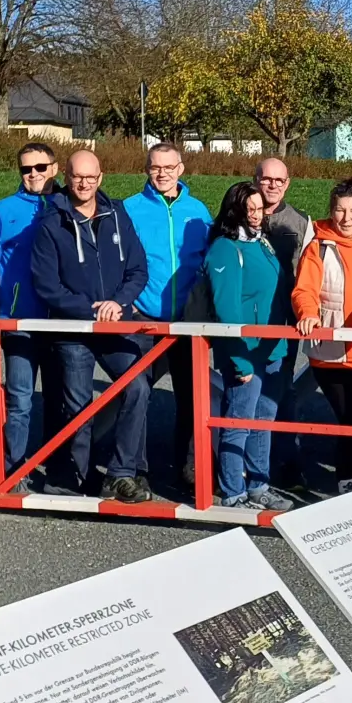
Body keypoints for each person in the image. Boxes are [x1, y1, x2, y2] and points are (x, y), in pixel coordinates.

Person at [30, 150, 153, 504]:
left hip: (115, 324)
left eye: (91, 176)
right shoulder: (51, 224)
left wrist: (119, 303)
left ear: (100, 178)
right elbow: (47, 286)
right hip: (73, 331)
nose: (84, 183)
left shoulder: (118, 215)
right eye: (77, 176)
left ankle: (121, 473)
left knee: (138, 388)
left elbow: (138, 270)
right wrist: (89, 309)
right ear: (66, 178)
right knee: (79, 406)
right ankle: (80, 478)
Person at [122, 143, 213, 483]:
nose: (162, 174)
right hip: (146, 319)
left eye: (168, 167)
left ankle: (191, 467)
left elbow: (209, 263)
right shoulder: (130, 209)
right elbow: (121, 261)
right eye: (155, 167)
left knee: (192, 398)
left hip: (188, 322)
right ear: (146, 169)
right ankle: (136, 468)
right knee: (137, 395)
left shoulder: (198, 211)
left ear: (181, 169)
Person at [292, 179, 352, 494]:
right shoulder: (319, 246)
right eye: (340, 210)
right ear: (331, 212)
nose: (346, 218)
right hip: (331, 351)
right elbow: (305, 289)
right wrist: (307, 314)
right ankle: (347, 479)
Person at [204, 181, 295, 512]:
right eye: (250, 210)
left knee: (263, 421)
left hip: (271, 348)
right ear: (235, 211)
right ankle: (233, 492)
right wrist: (240, 362)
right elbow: (226, 309)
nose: (257, 216)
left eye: (260, 209)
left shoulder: (262, 243)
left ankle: (259, 485)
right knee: (239, 421)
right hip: (245, 352)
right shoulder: (226, 249)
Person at [0, 143, 62, 491]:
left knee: (61, 399)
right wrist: (11, 293)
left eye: (40, 167)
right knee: (20, 400)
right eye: (26, 169)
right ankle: (16, 471)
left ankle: (60, 471)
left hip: (60, 321)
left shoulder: (64, 207)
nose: (33, 174)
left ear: (53, 168)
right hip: (19, 322)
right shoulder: (4, 210)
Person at [254, 157, 314, 489]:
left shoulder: (300, 223)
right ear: (256, 180)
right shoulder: (242, 215)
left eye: (279, 180)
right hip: (247, 322)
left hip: (285, 323)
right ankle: (245, 464)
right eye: (266, 179)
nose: (273, 185)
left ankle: (287, 463)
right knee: (245, 392)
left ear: (287, 183)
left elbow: (309, 273)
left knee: (280, 391)